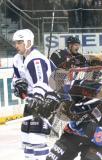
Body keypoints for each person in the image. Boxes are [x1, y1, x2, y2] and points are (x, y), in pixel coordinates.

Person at [12, 29, 59, 160]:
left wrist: (38, 98)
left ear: (28, 42)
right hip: (32, 101)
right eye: (16, 42)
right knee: (26, 138)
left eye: (20, 42)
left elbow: (42, 82)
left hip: (46, 101)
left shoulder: (35, 59)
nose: (17, 45)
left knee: (36, 138)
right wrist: (18, 86)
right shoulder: (17, 59)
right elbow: (16, 77)